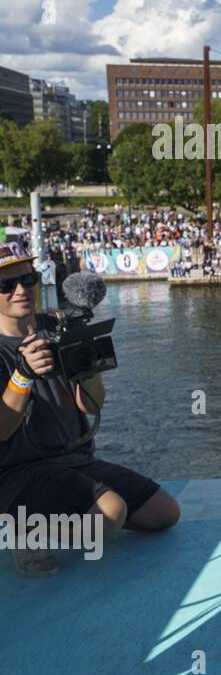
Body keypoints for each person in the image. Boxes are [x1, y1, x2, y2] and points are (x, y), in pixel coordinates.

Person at [0, 243, 179, 577]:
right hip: (16, 472)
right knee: (110, 514)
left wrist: (87, 365)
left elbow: (90, 403)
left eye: (27, 278)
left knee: (164, 513)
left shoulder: (57, 327)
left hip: (74, 458)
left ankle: (61, 518)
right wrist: (22, 376)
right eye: (6, 285)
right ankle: (24, 530)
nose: (21, 290)